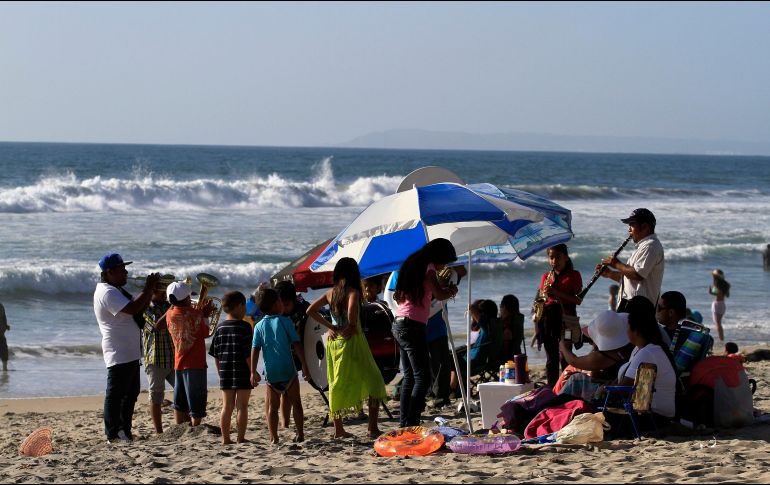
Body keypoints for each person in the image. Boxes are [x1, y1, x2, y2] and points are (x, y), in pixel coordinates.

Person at [307, 258, 387, 438]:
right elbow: (351, 314)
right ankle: (372, 427)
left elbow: (310, 310)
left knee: (337, 384)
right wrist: (350, 325)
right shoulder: (353, 292)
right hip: (353, 342)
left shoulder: (331, 293)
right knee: (374, 381)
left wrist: (330, 326)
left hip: (335, 343)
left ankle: (339, 430)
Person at [93, 253, 160, 443]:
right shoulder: (107, 292)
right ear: (109, 272)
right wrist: (148, 288)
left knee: (130, 394)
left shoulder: (117, 290)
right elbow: (132, 309)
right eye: (122, 270)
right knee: (116, 395)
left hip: (129, 351)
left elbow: (138, 308)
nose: (126, 273)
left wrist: (151, 293)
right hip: (118, 350)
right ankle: (113, 434)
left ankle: (124, 431)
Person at [392, 239, 459, 427]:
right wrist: (451, 290)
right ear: (439, 257)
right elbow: (439, 295)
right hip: (413, 326)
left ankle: (405, 423)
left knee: (410, 377)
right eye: (445, 261)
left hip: (399, 323)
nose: (444, 266)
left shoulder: (413, 265)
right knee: (423, 377)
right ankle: (412, 422)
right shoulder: (428, 269)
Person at [251, 287, 310, 444]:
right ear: (275, 304)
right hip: (288, 370)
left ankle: (274, 437)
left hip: (271, 373)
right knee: (296, 403)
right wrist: (304, 365)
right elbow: (297, 344)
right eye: (279, 300)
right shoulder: (285, 321)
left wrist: (252, 371)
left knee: (272, 407)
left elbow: (255, 350)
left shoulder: (258, 326)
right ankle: (300, 434)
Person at [611, 296, 677, 433]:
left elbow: (624, 388)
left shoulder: (647, 353)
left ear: (635, 330)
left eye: (627, 327)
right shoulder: (643, 349)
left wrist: (604, 390)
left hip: (653, 417)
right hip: (653, 414)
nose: (626, 331)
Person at [532, 244, 583, 386]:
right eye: (551, 257)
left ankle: (567, 386)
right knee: (551, 358)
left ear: (566, 257)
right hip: (549, 321)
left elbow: (578, 300)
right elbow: (540, 300)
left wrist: (556, 292)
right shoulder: (546, 276)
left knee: (565, 355)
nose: (554, 261)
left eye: (558, 257)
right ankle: (552, 388)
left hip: (567, 320)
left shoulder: (574, 275)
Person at [166, 281, 213, 428]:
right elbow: (206, 333)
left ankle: (179, 427)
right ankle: (195, 427)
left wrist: (198, 312)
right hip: (196, 363)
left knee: (179, 400)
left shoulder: (169, 314)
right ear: (187, 298)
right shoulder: (196, 314)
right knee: (196, 401)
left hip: (179, 362)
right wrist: (205, 315)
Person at [556, 310, 634, 400]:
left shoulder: (604, 356)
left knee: (575, 378)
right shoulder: (630, 345)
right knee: (574, 372)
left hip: (610, 392)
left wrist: (563, 346)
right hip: (616, 383)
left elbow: (573, 361)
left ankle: (556, 403)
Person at [209, 291, 253, 445]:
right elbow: (248, 354)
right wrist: (253, 371)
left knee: (227, 406)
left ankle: (226, 438)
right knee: (242, 406)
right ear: (239, 306)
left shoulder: (220, 328)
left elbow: (215, 354)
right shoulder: (245, 327)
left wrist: (220, 372)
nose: (245, 309)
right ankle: (240, 438)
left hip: (225, 372)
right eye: (244, 306)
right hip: (243, 371)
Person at [599, 208, 664, 311]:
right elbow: (630, 279)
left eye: (632, 225)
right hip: (631, 306)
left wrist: (616, 264)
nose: (629, 230)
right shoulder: (643, 246)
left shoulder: (650, 246)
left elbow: (637, 274)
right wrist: (610, 274)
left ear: (645, 227)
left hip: (640, 309)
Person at [274, 280, 310, 431]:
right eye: (280, 304)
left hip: (302, 352)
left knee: (294, 393)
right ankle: (285, 424)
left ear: (294, 300)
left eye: (287, 305)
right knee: (285, 393)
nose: (283, 308)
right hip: (283, 356)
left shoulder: (303, 307)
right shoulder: (275, 313)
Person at [141, 279, 175, 434]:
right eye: (162, 291)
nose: (165, 294)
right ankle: (159, 431)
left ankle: (183, 424)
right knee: (156, 396)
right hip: (155, 358)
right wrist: (174, 308)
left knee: (182, 392)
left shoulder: (169, 306)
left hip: (173, 356)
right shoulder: (145, 308)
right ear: (153, 292)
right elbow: (156, 327)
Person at [500, 294, 524, 360]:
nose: (500, 309)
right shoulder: (518, 319)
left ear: (504, 307)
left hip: (507, 359)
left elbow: (506, 344)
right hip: (517, 355)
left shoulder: (507, 323)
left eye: (500, 306)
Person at [710, 269, 731, 342]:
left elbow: (717, 293)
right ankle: (721, 339)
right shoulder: (725, 284)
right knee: (718, 323)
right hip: (722, 303)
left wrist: (712, 291)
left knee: (718, 323)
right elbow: (727, 295)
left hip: (717, 304)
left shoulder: (717, 284)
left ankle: (721, 340)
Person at [0, 301, 9, 372]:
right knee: (4, 349)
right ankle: (4, 368)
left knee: (4, 350)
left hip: (1, 332)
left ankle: (5, 368)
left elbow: (4, 317)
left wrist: (6, 326)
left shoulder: (1, 306)